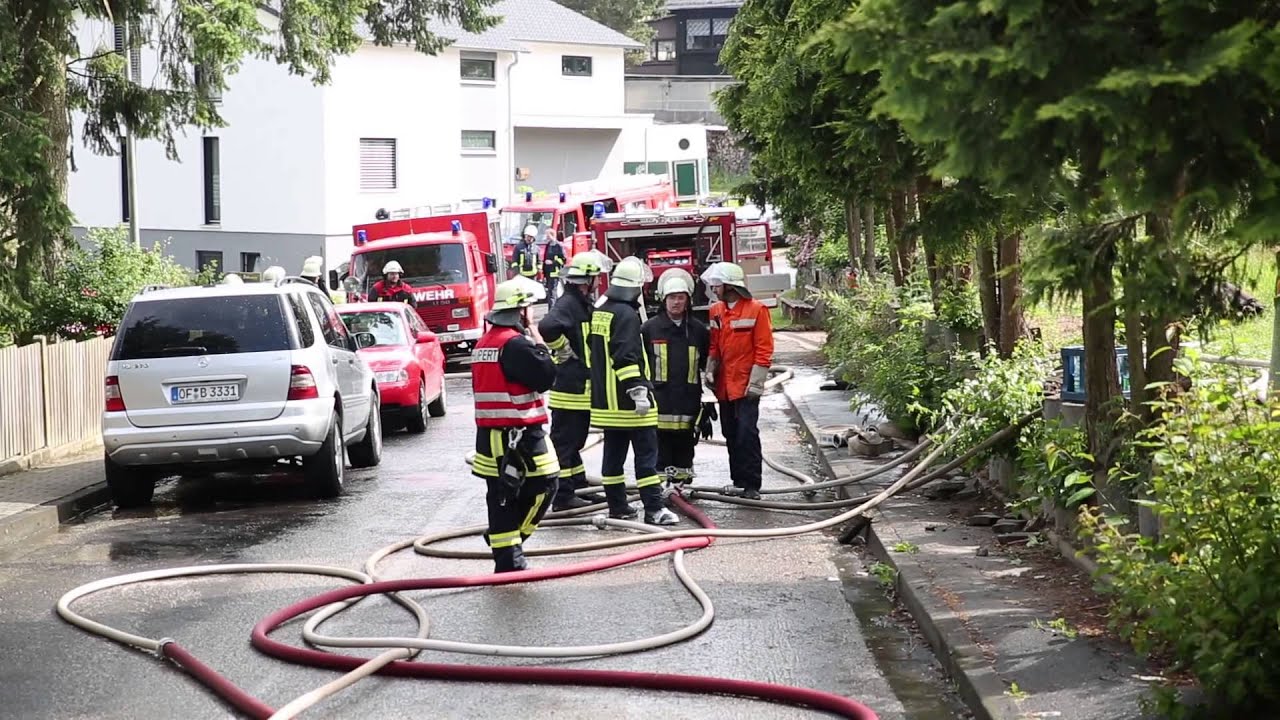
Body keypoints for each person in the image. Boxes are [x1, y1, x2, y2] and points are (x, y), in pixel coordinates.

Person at [470, 277, 559, 573]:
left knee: (501, 497)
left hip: (492, 436)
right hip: (517, 434)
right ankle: (509, 551)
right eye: (529, 308)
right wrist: (537, 337)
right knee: (545, 483)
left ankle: (506, 555)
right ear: (521, 311)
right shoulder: (515, 345)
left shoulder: (485, 343)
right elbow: (546, 377)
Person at [587, 257, 678, 526]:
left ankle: (618, 507)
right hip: (630, 406)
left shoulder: (601, 311)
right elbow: (626, 356)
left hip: (607, 405)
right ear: (635, 286)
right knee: (647, 460)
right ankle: (654, 509)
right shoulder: (626, 314)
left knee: (613, 461)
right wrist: (638, 391)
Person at [538, 250, 611, 512]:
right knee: (565, 443)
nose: (598, 284)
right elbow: (546, 326)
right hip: (570, 390)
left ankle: (578, 486)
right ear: (587, 280)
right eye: (596, 279)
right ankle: (563, 496)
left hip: (580, 389)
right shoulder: (568, 303)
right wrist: (563, 349)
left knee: (575, 442)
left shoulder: (579, 303)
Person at [702, 261, 774, 500]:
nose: (713, 288)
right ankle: (739, 481)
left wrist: (756, 384)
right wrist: (710, 369)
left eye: (717, 284)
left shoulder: (757, 310)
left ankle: (752, 484)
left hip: (745, 386)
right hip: (724, 387)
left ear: (729, 286)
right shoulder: (716, 311)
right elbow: (714, 345)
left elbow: (764, 350)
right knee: (731, 433)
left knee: (747, 433)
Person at [641, 269, 713, 487]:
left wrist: (708, 403)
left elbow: (706, 367)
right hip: (660, 402)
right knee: (660, 447)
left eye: (681, 298)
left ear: (688, 300)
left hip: (688, 401)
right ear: (664, 300)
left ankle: (682, 486)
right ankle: (661, 489)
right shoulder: (649, 329)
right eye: (672, 298)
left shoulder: (699, 331)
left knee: (685, 446)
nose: (676, 302)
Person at [542, 229, 566, 307]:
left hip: (555, 273)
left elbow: (563, 259)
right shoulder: (548, 245)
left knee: (552, 293)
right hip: (548, 272)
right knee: (550, 292)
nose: (547, 237)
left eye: (548, 236)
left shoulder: (559, 246)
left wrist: (552, 262)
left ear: (552, 235)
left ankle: (551, 311)